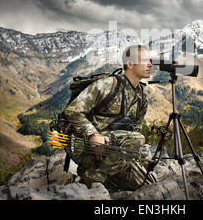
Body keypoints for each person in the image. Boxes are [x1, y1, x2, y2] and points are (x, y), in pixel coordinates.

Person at [63, 44, 156, 192]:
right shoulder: (108, 85)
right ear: (130, 63)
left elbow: (135, 129)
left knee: (150, 183)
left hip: (116, 153)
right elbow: (73, 111)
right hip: (89, 148)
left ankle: (110, 176)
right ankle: (92, 177)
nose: (150, 64)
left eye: (151, 60)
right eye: (145, 60)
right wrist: (92, 134)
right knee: (137, 139)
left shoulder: (142, 97)